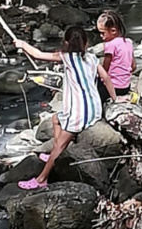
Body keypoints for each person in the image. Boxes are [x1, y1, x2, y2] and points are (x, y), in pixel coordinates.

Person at [15, 25, 117, 191]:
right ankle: (55, 155)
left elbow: (38, 55)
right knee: (56, 119)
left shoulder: (66, 57)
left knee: (60, 145)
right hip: (93, 108)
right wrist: (115, 99)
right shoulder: (92, 58)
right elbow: (106, 78)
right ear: (86, 43)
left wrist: (23, 44)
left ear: (67, 43)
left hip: (79, 113)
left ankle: (42, 178)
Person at [96, 10, 135, 103]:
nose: (101, 36)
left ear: (113, 31)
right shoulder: (128, 43)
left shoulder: (110, 44)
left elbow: (105, 69)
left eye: (103, 33)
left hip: (113, 88)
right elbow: (133, 66)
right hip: (126, 87)